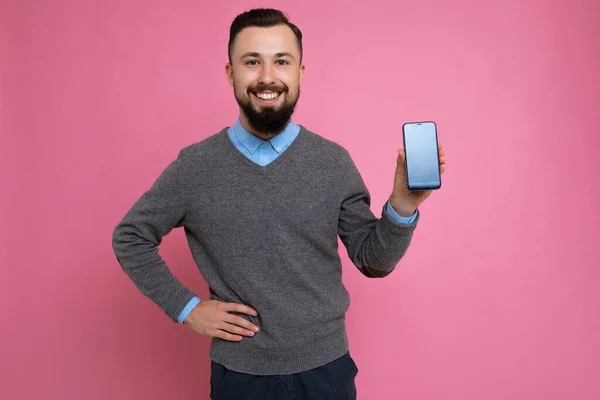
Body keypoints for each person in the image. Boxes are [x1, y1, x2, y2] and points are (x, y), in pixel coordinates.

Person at [112, 7, 446, 400]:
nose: (267, 77)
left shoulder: (332, 161)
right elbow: (130, 236)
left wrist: (403, 206)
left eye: (281, 61)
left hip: (327, 372)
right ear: (230, 73)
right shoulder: (196, 166)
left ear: (300, 72)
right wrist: (186, 308)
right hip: (240, 376)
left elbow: (373, 260)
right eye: (252, 62)